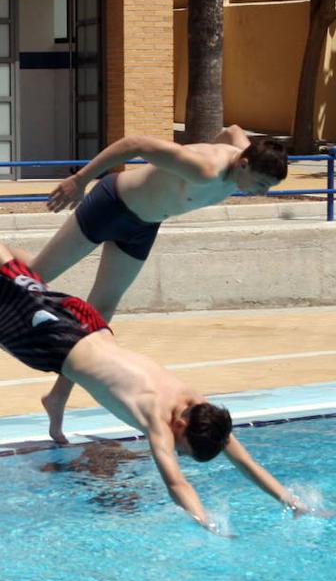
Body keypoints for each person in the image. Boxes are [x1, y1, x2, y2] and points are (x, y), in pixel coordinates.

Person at [0, 200, 323, 534]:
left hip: (87, 321)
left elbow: (244, 461)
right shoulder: (158, 420)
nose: (178, 452)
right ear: (180, 430)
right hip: (55, 345)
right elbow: (177, 484)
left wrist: (291, 501)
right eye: (183, 449)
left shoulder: (200, 407)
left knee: (17, 273)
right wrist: (209, 524)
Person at [34, 127, 289, 443]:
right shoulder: (203, 167)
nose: (262, 192)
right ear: (244, 165)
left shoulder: (245, 153)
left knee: (99, 314)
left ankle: (57, 396)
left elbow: (233, 131)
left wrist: (215, 140)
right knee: (33, 277)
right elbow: (135, 143)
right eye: (262, 184)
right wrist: (81, 179)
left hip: (143, 226)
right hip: (111, 205)